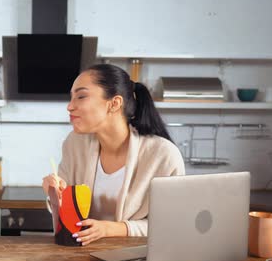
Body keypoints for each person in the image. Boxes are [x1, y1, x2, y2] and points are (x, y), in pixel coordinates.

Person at [42, 64, 185, 245]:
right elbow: (67, 217)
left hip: (139, 256)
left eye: (81, 96)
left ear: (114, 103)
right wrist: (56, 196)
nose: (70, 107)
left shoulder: (163, 155)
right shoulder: (75, 144)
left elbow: (172, 226)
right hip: (81, 258)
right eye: (71, 98)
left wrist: (110, 229)